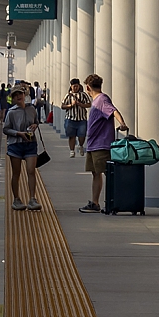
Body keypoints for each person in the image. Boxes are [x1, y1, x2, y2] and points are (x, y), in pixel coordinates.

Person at [80, 74, 126, 213]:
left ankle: (117, 201)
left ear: (87, 87)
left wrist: (122, 123)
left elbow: (113, 111)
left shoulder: (102, 99)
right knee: (96, 173)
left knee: (108, 173)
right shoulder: (96, 101)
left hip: (101, 143)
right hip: (93, 143)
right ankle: (95, 202)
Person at [2, 87, 43, 210]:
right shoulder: (11, 112)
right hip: (15, 145)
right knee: (16, 173)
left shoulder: (32, 109)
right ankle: (16, 199)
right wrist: (18, 133)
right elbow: (6, 129)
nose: (18, 96)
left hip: (30, 143)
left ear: (24, 95)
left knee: (31, 171)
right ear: (13, 98)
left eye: (20, 94)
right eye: (15, 95)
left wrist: (35, 125)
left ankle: (32, 199)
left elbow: (36, 122)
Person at [61, 79, 89, 147]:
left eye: (77, 86)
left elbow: (89, 104)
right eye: (74, 86)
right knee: (71, 135)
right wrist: (71, 105)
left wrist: (81, 105)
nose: (75, 88)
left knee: (82, 134)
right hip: (70, 118)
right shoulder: (68, 95)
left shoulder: (83, 95)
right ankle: (72, 150)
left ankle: (81, 145)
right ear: (71, 86)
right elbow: (62, 106)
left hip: (81, 118)